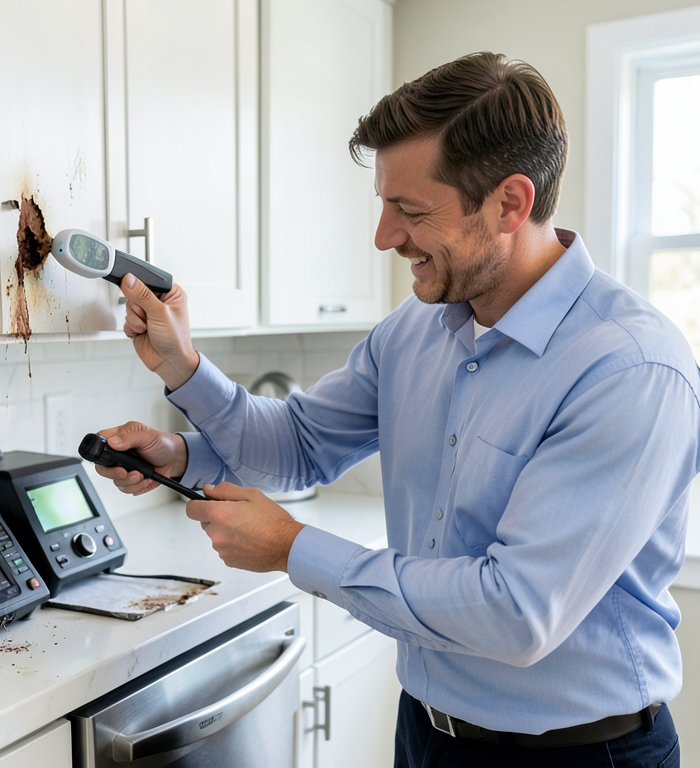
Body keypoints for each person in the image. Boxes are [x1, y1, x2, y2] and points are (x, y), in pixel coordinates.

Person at [93, 52, 699, 766]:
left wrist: (293, 548)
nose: (383, 237)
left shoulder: (627, 366)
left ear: (510, 202)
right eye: (383, 204)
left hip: (580, 753)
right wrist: (182, 372)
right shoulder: (413, 331)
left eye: (410, 211)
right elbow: (296, 445)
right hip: (427, 735)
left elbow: (515, 612)